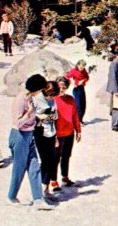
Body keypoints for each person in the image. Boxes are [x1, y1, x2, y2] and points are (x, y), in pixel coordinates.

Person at [7, 74, 54, 209]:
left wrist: (38, 117)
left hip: (29, 135)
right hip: (19, 135)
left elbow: (31, 117)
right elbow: (18, 122)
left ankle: (38, 199)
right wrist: (30, 114)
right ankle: (11, 196)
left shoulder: (30, 98)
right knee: (19, 168)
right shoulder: (21, 99)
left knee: (34, 166)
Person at [53, 77, 81, 189]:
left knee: (66, 156)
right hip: (57, 134)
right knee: (55, 158)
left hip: (69, 132)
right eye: (59, 87)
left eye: (64, 87)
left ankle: (65, 177)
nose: (61, 90)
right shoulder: (53, 100)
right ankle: (53, 180)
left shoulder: (70, 99)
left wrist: (78, 130)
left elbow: (75, 115)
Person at [35, 80, 60, 199]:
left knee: (52, 161)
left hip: (51, 132)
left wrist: (53, 116)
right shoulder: (37, 99)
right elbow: (31, 115)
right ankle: (40, 189)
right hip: (40, 133)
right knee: (45, 161)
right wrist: (41, 117)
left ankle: (46, 189)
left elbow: (56, 115)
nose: (52, 97)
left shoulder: (52, 100)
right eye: (51, 95)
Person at [66, 59, 90, 125]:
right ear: (78, 65)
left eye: (83, 67)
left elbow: (87, 77)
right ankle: (78, 121)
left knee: (83, 105)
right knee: (78, 105)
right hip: (76, 89)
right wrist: (72, 81)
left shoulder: (84, 71)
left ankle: (81, 119)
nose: (82, 69)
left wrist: (83, 80)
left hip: (82, 88)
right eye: (81, 67)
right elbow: (67, 76)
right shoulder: (74, 71)